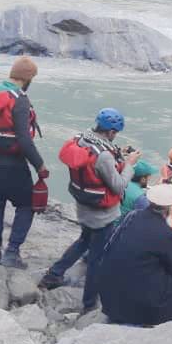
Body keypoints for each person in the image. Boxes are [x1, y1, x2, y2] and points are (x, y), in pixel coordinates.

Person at [38, 107, 140, 312]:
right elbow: (118, 185)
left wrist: (119, 153)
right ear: (111, 132)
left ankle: (53, 276)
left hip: (84, 205)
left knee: (84, 240)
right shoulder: (104, 157)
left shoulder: (82, 139)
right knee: (96, 259)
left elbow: (100, 160)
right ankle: (89, 304)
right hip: (102, 214)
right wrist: (130, 165)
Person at [0, 56, 47, 269]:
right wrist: (40, 165)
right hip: (13, 164)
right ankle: (12, 252)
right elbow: (24, 139)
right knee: (26, 205)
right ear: (28, 78)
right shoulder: (20, 99)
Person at [96, 183, 172, 326]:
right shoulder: (166, 233)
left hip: (108, 291)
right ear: (169, 208)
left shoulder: (132, 216)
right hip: (136, 300)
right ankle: (153, 321)